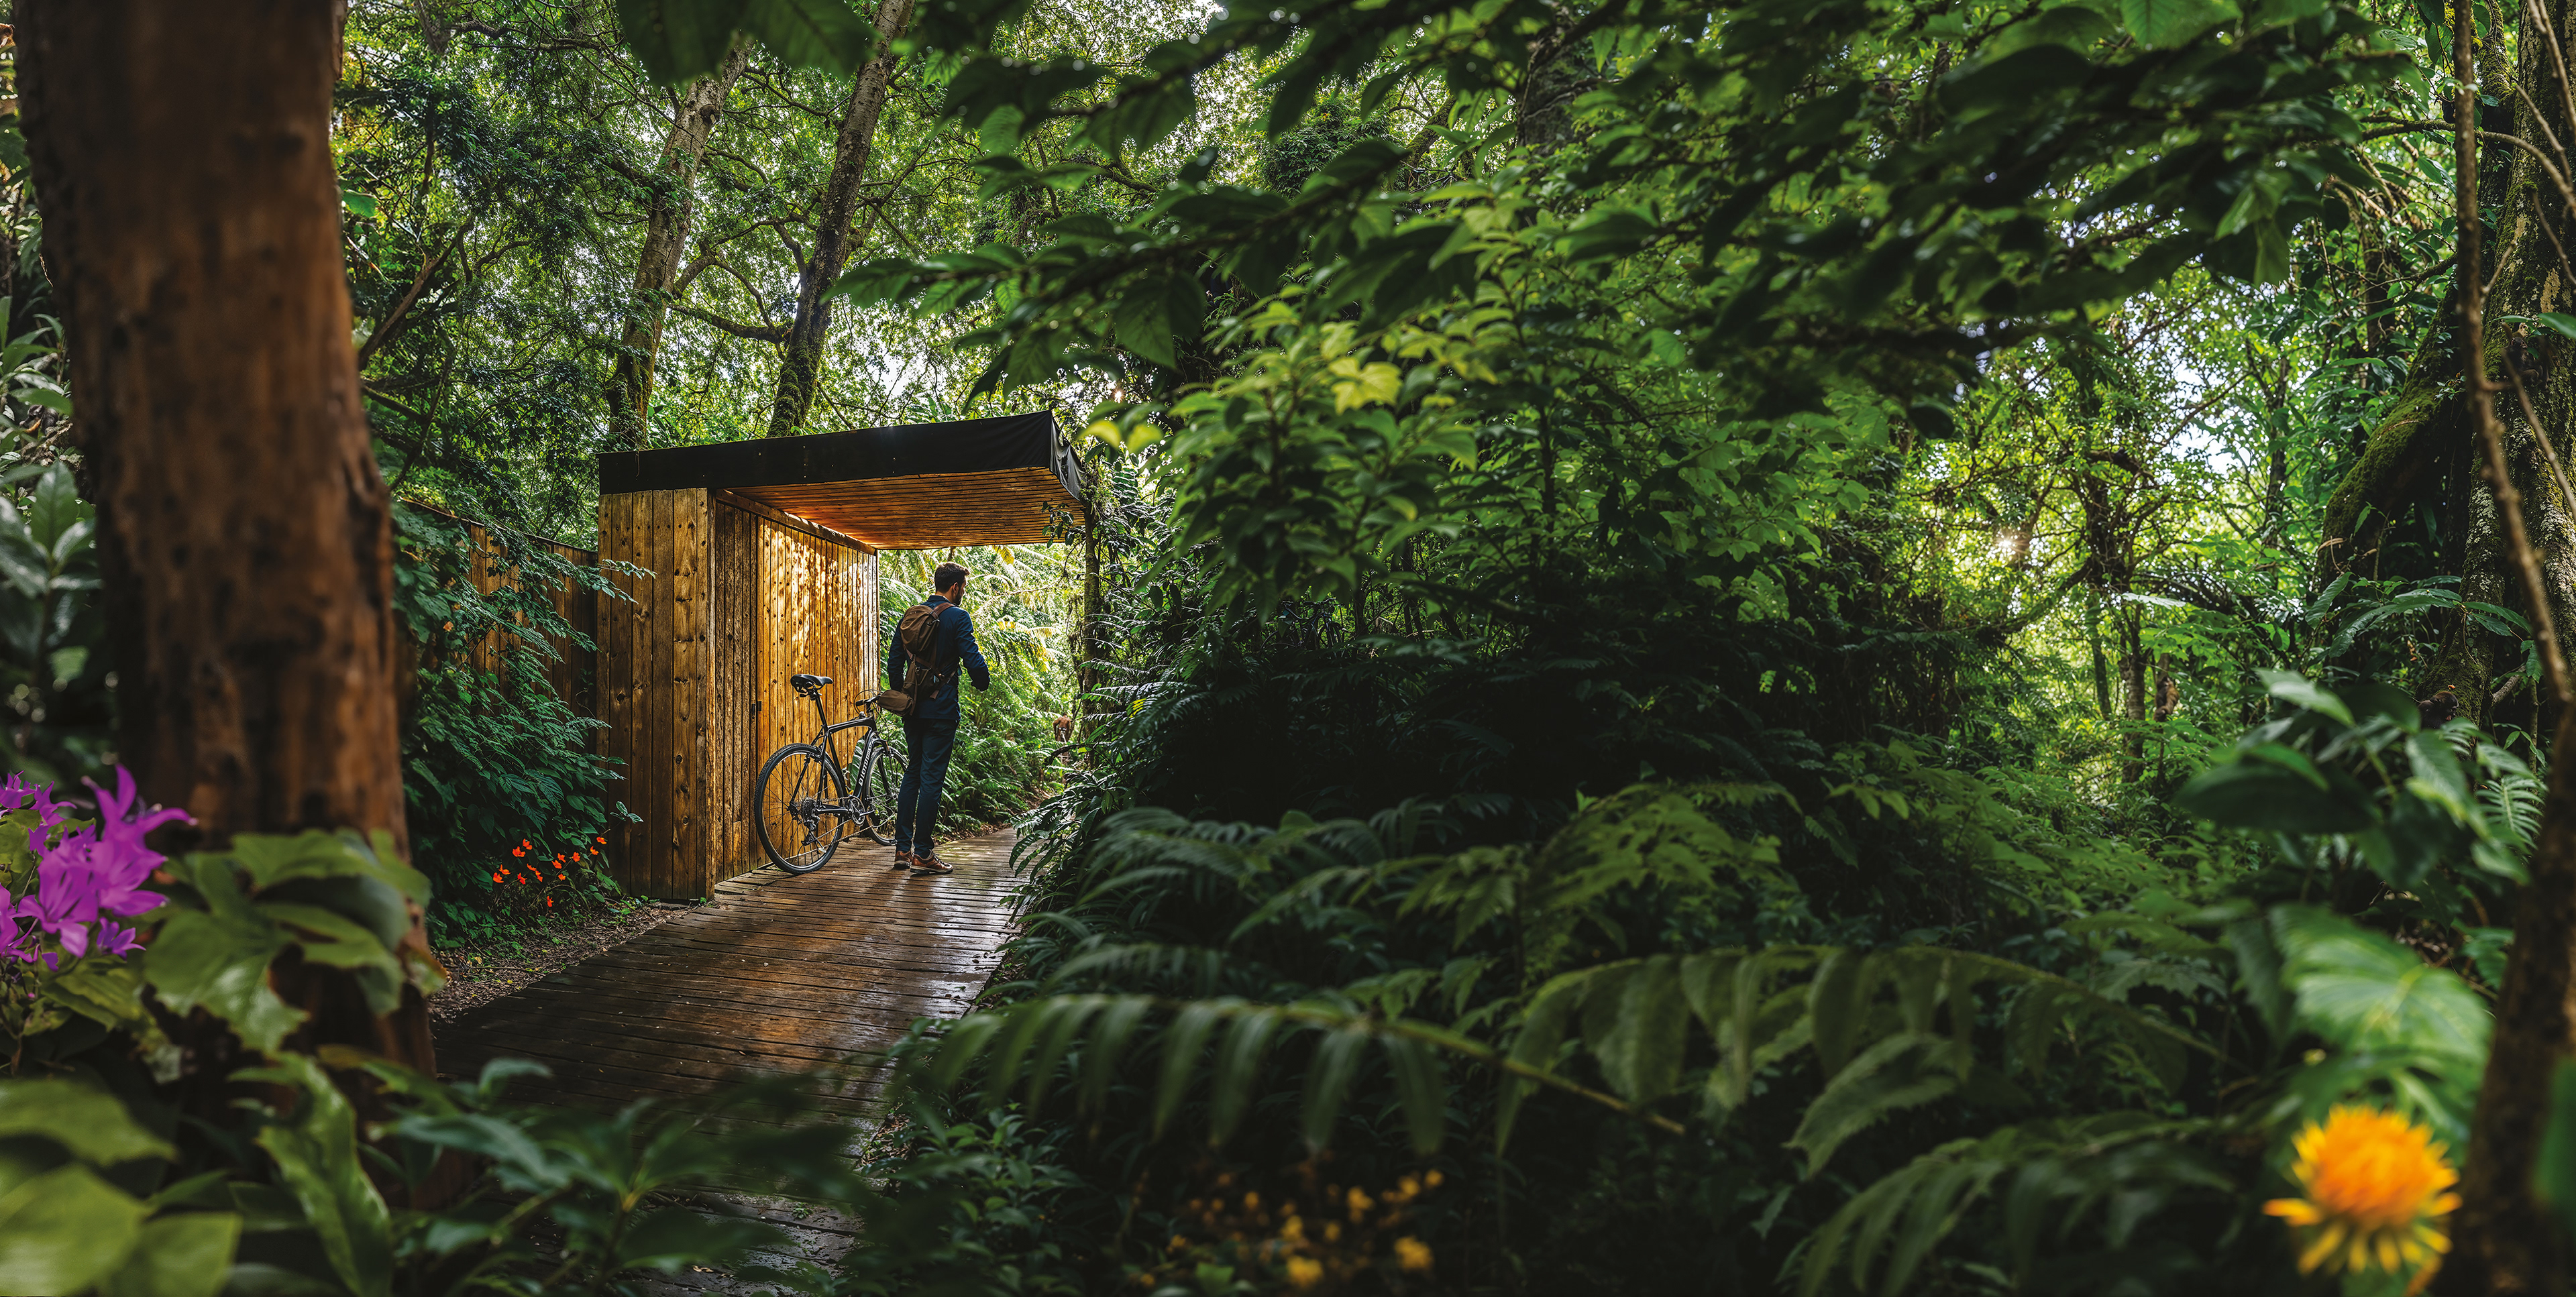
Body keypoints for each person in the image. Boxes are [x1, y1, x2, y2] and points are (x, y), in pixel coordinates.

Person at [887, 561, 989, 875]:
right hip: (941, 711)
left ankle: (902, 850)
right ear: (955, 587)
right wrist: (982, 680)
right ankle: (923, 853)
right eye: (964, 588)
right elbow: (972, 659)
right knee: (931, 779)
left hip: (912, 709)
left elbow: (894, 659)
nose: (963, 593)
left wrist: (903, 695)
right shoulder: (958, 617)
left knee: (913, 773)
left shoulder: (912, 614)